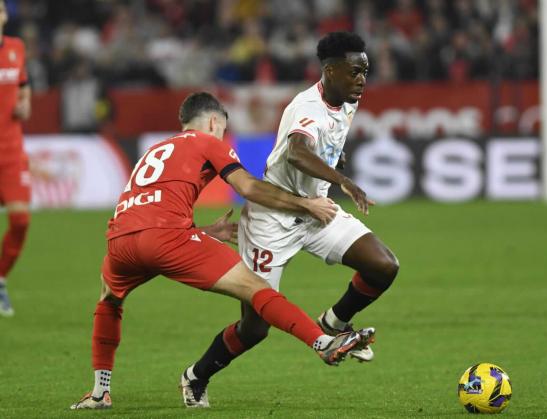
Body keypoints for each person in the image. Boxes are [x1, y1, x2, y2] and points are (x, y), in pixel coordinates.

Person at [70, 92, 375, 410]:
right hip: (167, 239)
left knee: (108, 301)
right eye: (222, 129)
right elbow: (249, 188)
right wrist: (306, 204)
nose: (222, 135)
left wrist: (200, 233)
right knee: (256, 288)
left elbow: (148, 213)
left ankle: (99, 391)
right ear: (214, 122)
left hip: (120, 241)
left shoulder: (153, 150)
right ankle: (323, 342)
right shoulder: (208, 142)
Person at [178, 32, 399, 405]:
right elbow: (297, 152)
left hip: (317, 210)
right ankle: (196, 376)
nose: (362, 79)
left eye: (365, 71)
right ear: (329, 71)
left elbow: (320, 146)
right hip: (273, 220)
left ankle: (334, 322)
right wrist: (344, 179)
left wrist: (333, 159)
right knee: (254, 328)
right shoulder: (306, 107)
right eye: (355, 72)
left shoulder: (346, 99)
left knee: (383, 265)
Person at [0, 0, 32, 317]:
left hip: (11, 151)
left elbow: (23, 85)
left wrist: (25, 103)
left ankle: (0, 279)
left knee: (21, 221)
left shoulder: (15, 47)